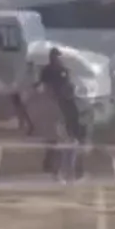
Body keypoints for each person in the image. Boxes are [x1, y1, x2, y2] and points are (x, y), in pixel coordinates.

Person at [37, 48, 84, 181]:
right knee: (57, 144)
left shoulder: (63, 70)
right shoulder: (48, 71)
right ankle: (56, 170)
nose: (57, 59)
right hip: (56, 112)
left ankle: (67, 172)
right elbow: (44, 86)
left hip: (64, 122)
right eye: (56, 56)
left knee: (68, 145)